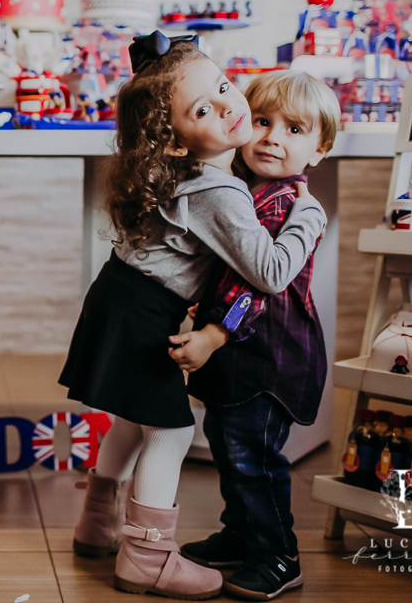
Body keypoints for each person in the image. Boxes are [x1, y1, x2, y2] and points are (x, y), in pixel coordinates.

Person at [60, 33, 326, 600]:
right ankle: (148, 560)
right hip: (142, 310)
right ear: (175, 138)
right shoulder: (221, 192)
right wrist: (308, 215)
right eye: (203, 108)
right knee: (173, 430)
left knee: (134, 418)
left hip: (120, 296)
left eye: (226, 87)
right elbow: (271, 273)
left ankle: (96, 522)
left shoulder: (189, 174)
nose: (231, 106)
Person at [169, 70, 339, 600]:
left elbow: (259, 287)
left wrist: (216, 334)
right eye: (263, 122)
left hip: (270, 354)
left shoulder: (292, 206)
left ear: (320, 148)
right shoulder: (245, 190)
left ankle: (277, 554)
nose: (271, 137)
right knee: (227, 441)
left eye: (294, 130)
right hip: (245, 352)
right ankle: (241, 531)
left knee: (254, 456)